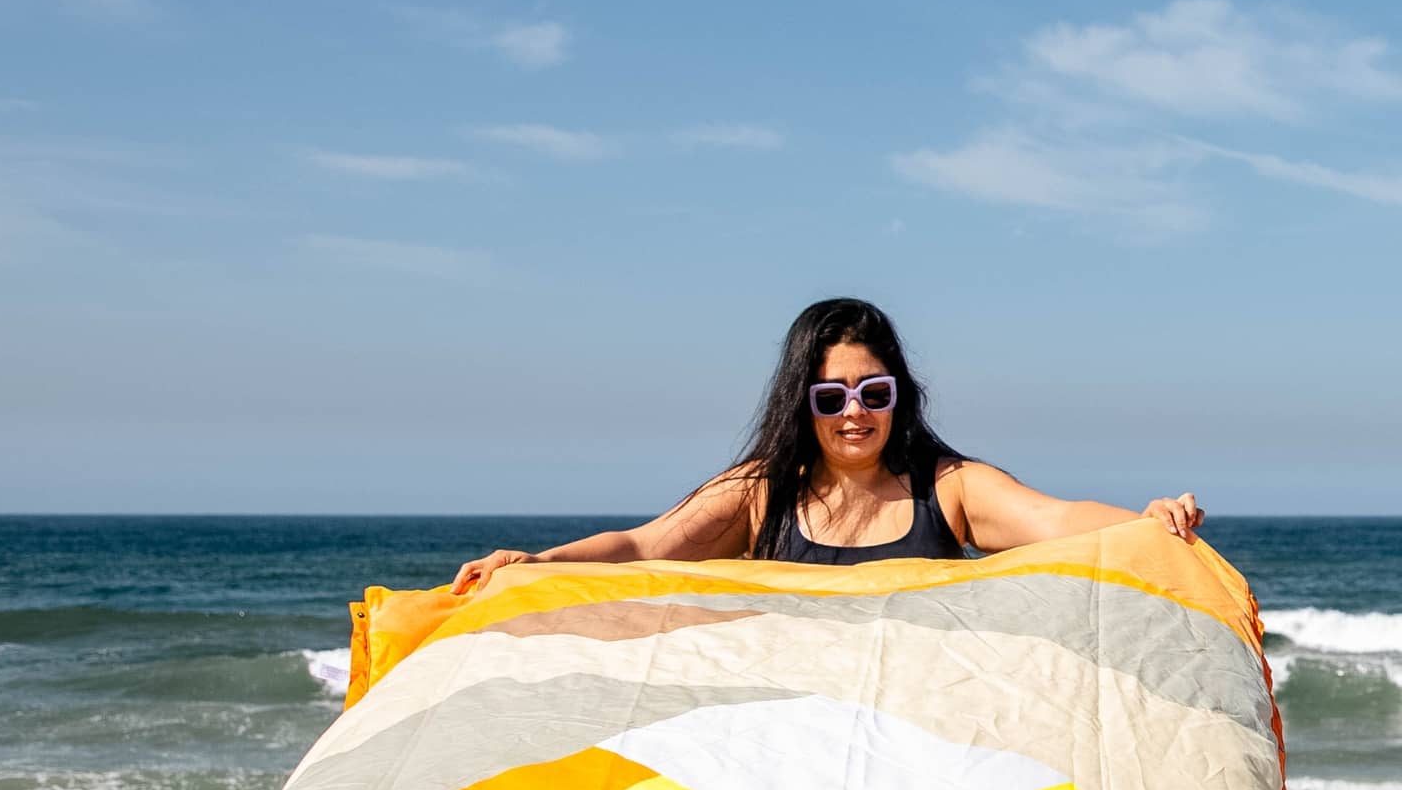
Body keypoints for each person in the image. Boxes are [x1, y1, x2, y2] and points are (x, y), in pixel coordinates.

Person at [453, 298, 1201, 592]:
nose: (855, 413)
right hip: (792, 759)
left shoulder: (949, 488)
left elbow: (1057, 521)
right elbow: (646, 548)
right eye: (832, 396)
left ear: (898, 395)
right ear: (801, 403)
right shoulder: (759, 492)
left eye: (874, 393)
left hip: (920, 747)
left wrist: (1145, 521)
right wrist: (539, 563)